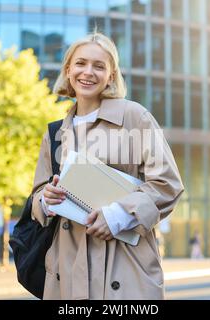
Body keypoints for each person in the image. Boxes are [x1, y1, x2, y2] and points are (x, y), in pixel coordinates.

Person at [30, 32, 184, 300]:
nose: (88, 72)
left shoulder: (135, 117)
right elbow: (37, 196)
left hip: (124, 268)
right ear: (68, 70)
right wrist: (46, 200)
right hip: (65, 271)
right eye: (80, 63)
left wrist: (117, 216)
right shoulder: (55, 131)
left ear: (111, 75)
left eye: (99, 66)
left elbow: (168, 185)